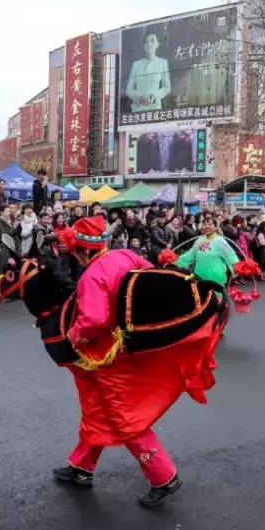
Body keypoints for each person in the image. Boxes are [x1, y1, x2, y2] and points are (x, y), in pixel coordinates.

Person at [51, 215, 213, 507]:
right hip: (131, 345)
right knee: (97, 408)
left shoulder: (91, 277)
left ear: (82, 250)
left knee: (123, 417)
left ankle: (163, 476)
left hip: (108, 358)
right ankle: (82, 466)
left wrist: (74, 335)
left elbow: (93, 320)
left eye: (75, 251)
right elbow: (152, 280)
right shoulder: (124, 254)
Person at [175, 212, 238, 290]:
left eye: (210, 224)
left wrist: (237, 269)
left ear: (215, 227)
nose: (207, 226)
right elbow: (190, 255)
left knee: (216, 297)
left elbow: (231, 256)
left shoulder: (220, 241)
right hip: (200, 277)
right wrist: (174, 261)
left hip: (216, 278)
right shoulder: (199, 240)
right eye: (205, 224)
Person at [124, 32, 171, 113]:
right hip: (137, 111)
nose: (149, 44)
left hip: (155, 110)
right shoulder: (136, 64)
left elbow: (167, 87)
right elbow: (129, 89)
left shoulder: (162, 63)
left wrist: (154, 96)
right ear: (143, 46)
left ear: (157, 44)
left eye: (152, 40)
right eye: (146, 42)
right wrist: (140, 97)